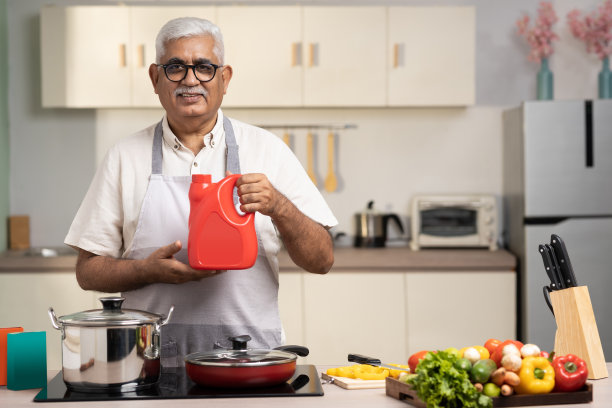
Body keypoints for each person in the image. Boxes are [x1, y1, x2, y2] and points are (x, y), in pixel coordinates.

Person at [64, 16, 337, 365]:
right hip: (149, 362)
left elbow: (322, 260)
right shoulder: (124, 157)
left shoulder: (268, 150)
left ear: (224, 78)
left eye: (204, 67)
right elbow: (87, 272)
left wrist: (279, 206)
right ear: (155, 78)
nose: (190, 80)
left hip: (249, 360)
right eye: (175, 67)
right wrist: (149, 270)